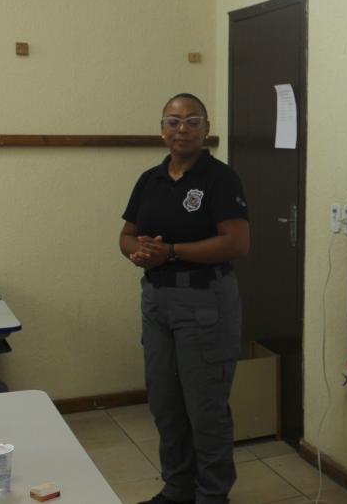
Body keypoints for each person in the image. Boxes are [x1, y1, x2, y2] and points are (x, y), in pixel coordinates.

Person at [119, 93, 250, 504]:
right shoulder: (149, 180)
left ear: (206, 130)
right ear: (162, 129)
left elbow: (237, 243)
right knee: (165, 403)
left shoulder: (220, 178)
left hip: (205, 303)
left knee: (205, 408)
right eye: (174, 121)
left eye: (192, 121)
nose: (182, 129)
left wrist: (171, 251)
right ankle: (177, 489)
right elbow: (126, 235)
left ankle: (212, 496)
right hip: (157, 303)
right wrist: (137, 252)